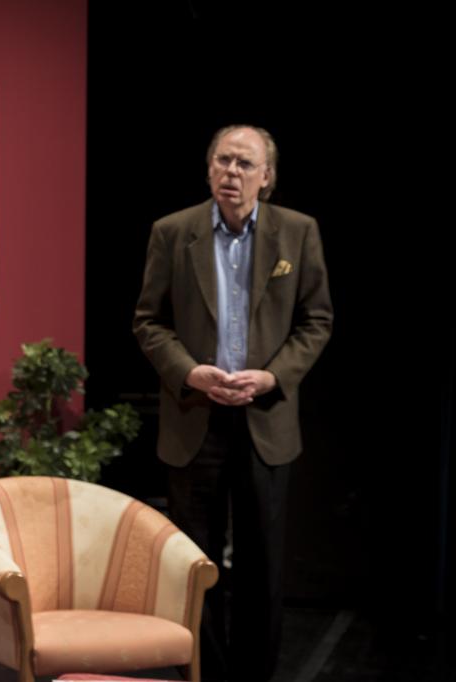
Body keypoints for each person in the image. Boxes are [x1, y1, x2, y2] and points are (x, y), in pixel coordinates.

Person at [133, 125, 333, 681]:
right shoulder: (173, 232)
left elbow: (317, 321)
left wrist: (272, 377)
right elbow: (149, 322)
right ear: (208, 168)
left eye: (245, 164)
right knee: (193, 562)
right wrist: (189, 373)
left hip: (265, 419)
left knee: (262, 561)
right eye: (223, 160)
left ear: (266, 177)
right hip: (195, 417)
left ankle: (254, 674)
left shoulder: (298, 231)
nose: (232, 172)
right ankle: (205, 673)